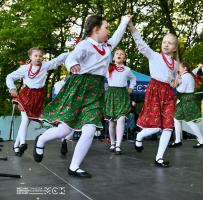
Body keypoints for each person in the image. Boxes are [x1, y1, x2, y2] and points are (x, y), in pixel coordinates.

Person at [34, 15, 132, 178]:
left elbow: (117, 35)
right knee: (64, 130)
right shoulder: (84, 45)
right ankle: (41, 140)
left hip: (95, 91)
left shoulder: (107, 47)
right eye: (106, 27)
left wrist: (124, 21)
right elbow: (72, 57)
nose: (109, 31)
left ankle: (74, 166)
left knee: (90, 128)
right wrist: (72, 64)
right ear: (96, 29)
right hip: (79, 88)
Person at [128, 21, 178, 168]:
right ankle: (139, 135)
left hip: (168, 93)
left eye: (169, 43)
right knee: (156, 127)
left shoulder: (175, 64)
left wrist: (175, 82)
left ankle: (159, 158)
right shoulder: (154, 55)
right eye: (164, 42)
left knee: (168, 126)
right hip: (155, 90)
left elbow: (173, 79)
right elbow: (141, 44)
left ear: (174, 48)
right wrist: (132, 27)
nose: (166, 44)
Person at [6, 48, 68, 156]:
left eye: (40, 56)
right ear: (30, 57)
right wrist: (12, 88)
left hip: (38, 97)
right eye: (36, 56)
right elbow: (10, 77)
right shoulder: (25, 68)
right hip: (26, 95)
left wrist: (73, 52)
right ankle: (23, 143)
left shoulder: (45, 66)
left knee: (26, 122)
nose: (38, 58)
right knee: (25, 119)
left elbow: (58, 60)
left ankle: (17, 145)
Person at [105, 48, 136, 155]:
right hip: (111, 94)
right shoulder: (108, 67)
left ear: (124, 58)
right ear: (113, 57)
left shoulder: (127, 69)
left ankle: (118, 145)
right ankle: (112, 143)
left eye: (122, 54)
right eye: (117, 53)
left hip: (123, 95)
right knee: (112, 121)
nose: (119, 55)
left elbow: (133, 79)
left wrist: (131, 88)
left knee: (121, 119)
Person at [169, 62, 203, 148]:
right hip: (186, 100)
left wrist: (176, 84)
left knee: (188, 121)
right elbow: (194, 72)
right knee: (176, 118)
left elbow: (181, 90)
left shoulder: (186, 76)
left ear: (185, 68)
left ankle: (201, 140)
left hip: (186, 100)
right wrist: (198, 67)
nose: (178, 69)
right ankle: (178, 140)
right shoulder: (189, 75)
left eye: (180, 68)